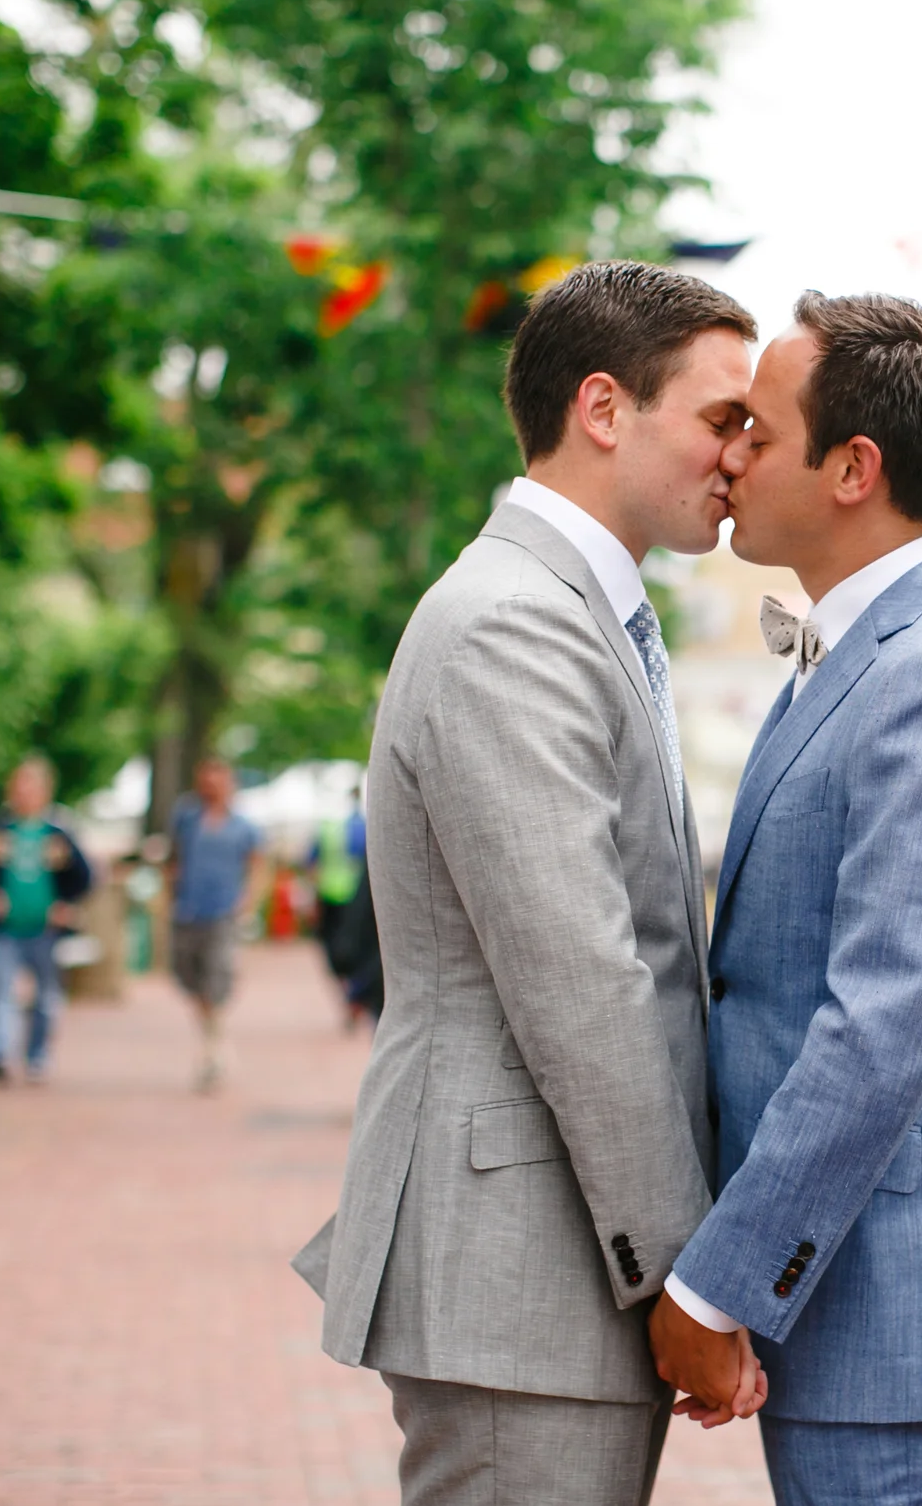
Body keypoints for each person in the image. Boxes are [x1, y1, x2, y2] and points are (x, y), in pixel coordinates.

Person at [292, 261, 759, 1506]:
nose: (743, 455)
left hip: (548, 1256)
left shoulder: (582, 614)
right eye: (723, 418)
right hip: (521, 1262)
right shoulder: (513, 621)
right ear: (604, 408)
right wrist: (678, 1280)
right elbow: (584, 980)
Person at [644, 292, 922, 1505]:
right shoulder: (871, 649)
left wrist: (712, 1284)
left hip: (888, 1293)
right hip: (847, 1285)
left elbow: (879, 1026)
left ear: (853, 468)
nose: (730, 454)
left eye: (759, 433)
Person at [0, 758, 94, 1084]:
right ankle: (1, 1053)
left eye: (30, 787)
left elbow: (84, 877)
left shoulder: (56, 831)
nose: (24, 793)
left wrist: (65, 903)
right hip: (9, 927)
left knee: (45, 997)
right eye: (19, 786)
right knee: (3, 991)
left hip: (45, 928)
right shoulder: (3, 829)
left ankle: (37, 1056)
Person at [164, 756, 267, 1093]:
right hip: (187, 910)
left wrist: (248, 902)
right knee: (187, 976)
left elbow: (257, 865)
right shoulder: (186, 818)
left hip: (222, 912)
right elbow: (173, 859)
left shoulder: (243, 827)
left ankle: (213, 1047)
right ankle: (214, 1035)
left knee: (216, 976)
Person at [307, 788, 372, 1029]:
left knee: (338, 956)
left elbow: (312, 865)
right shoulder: (365, 825)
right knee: (353, 955)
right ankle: (353, 998)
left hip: (333, 899)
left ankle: (352, 997)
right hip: (353, 901)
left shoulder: (327, 826)